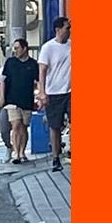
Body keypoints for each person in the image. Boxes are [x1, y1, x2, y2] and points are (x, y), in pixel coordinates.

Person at [0, 29, 41, 165]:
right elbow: (3, 80)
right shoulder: (10, 62)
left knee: (23, 126)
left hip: (27, 100)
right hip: (12, 100)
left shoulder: (33, 64)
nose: (15, 51)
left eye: (17, 48)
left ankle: (22, 152)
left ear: (24, 48)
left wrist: (39, 96)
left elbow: (38, 81)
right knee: (15, 125)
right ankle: (16, 153)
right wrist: (2, 97)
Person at [36, 10, 69, 172]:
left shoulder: (73, 45)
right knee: (55, 126)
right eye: (67, 28)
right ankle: (56, 157)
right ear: (58, 29)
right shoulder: (48, 48)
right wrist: (42, 92)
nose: (69, 31)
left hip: (70, 92)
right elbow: (42, 71)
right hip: (54, 92)